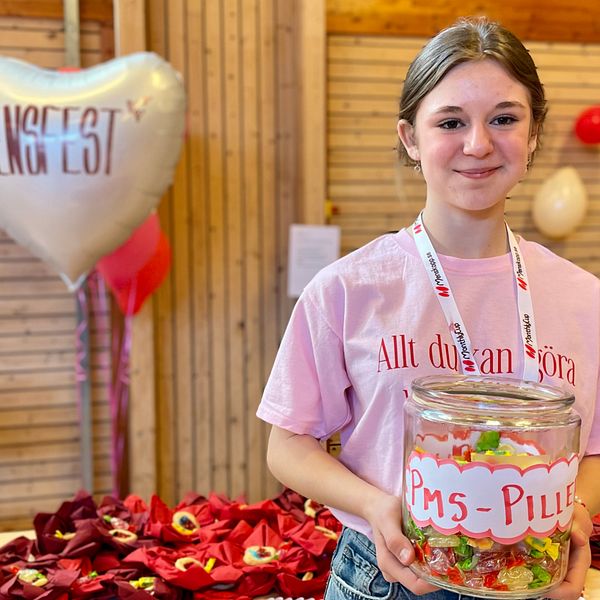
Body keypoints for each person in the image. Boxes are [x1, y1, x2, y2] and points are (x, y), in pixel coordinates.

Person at [256, 16, 600, 600]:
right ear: (411, 138)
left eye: (504, 118)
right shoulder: (349, 288)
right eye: (450, 122)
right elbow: (288, 445)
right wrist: (373, 504)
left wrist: (574, 513)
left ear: (534, 133)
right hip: (390, 577)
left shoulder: (585, 299)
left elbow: (593, 447)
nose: (478, 144)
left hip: (528, 573)